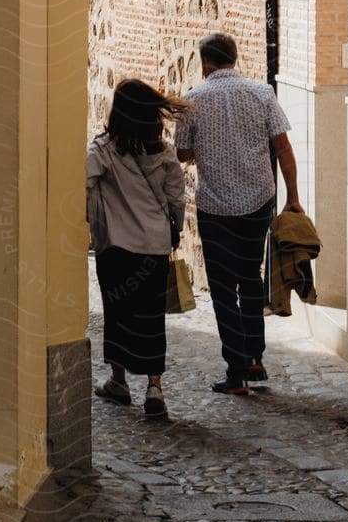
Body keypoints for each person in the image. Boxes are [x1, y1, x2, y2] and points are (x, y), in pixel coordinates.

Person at [176, 31, 301, 395]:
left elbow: (182, 155)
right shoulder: (263, 94)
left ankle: (236, 371)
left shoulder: (193, 100)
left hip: (216, 208)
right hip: (258, 203)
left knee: (221, 289)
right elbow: (283, 147)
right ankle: (255, 358)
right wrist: (292, 196)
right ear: (234, 58)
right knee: (251, 278)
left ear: (205, 64)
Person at [87, 79, 186, 419]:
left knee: (118, 314)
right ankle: (154, 387)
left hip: (115, 245)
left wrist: (93, 216)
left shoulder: (103, 150)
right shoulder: (164, 152)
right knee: (150, 316)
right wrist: (176, 227)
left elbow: (83, 181)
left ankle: (118, 381)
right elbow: (176, 196)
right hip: (154, 246)